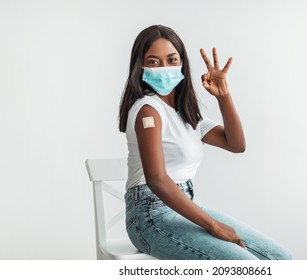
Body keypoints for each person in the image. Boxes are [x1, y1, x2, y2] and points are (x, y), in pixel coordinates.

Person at [118, 25, 292, 260]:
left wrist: (224, 97)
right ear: (140, 66)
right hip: (150, 217)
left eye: (171, 59)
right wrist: (213, 225)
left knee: (280, 257)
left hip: (182, 209)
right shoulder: (148, 110)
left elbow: (236, 144)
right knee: (245, 264)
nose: (164, 68)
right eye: (153, 61)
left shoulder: (185, 112)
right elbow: (157, 179)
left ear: (182, 62)